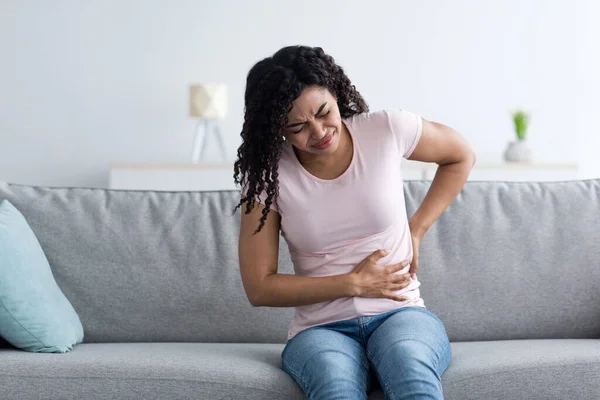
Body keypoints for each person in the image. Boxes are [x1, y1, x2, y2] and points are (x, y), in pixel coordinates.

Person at [234, 45, 475, 400]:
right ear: (277, 130)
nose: (318, 132)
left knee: (410, 367)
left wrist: (416, 229)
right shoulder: (268, 176)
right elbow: (259, 287)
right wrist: (353, 284)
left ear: (335, 91)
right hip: (320, 329)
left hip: (400, 313)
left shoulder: (385, 129)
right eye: (298, 127)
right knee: (335, 387)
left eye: (323, 112)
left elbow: (460, 155)